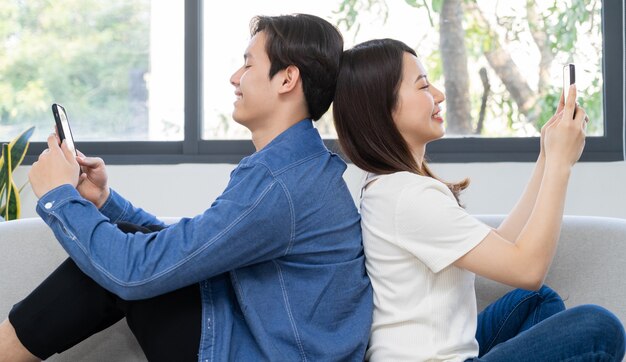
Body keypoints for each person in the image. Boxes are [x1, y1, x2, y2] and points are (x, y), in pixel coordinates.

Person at [0, 14, 373, 362]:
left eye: (248, 64)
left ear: (287, 79)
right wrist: (105, 202)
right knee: (129, 245)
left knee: (119, 266)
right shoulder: (295, 169)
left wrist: (58, 197)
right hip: (265, 343)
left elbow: (134, 273)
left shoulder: (281, 184)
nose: (234, 77)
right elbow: (188, 251)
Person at [333, 38, 625, 361]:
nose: (439, 96)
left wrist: (547, 154)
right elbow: (528, 267)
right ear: (383, 107)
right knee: (600, 328)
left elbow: (503, 243)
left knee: (537, 301)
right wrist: (561, 165)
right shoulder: (408, 197)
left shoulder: (391, 188)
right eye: (424, 87)